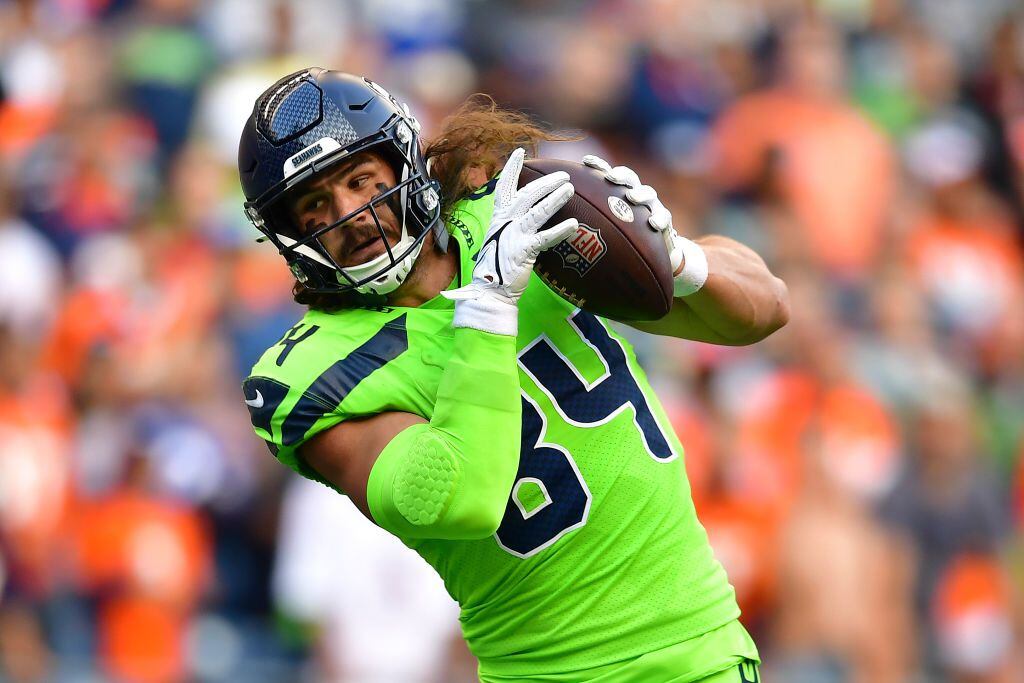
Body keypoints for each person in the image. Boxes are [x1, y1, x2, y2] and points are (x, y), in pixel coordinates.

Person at [237, 68, 789, 683]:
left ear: (403, 166)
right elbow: (459, 498)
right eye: (316, 206)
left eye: (360, 181)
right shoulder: (309, 374)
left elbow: (765, 309)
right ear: (291, 236)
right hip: (546, 672)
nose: (351, 216)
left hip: (698, 647)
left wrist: (676, 257)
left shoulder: (512, 211)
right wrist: (489, 301)